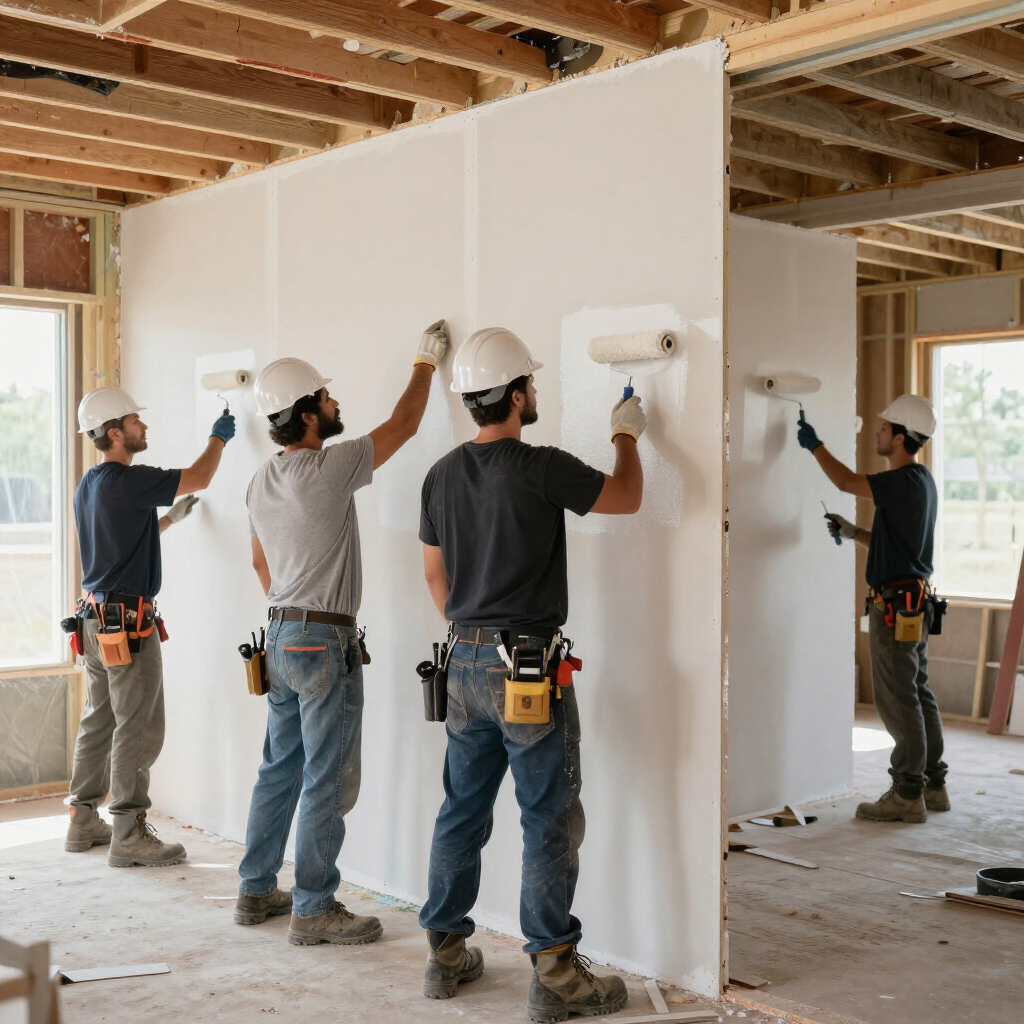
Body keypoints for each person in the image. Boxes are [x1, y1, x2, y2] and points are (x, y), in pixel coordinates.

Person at [416, 328, 646, 1021]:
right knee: (545, 816)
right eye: (533, 386)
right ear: (515, 396)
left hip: (462, 657)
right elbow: (626, 497)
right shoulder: (540, 466)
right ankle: (556, 977)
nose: (536, 394)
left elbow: (434, 573)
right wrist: (627, 435)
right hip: (525, 666)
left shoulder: (439, 474)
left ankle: (446, 956)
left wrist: (472, 635)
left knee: (462, 808)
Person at [236, 321, 449, 946]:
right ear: (306, 415)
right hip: (321, 640)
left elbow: (258, 564)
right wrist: (425, 363)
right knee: (326, 776)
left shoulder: (259, 479)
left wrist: (290, 610)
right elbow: (405, 424)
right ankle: (314, 907)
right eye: (326, 399)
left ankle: (255, 891)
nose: (335, 405)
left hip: (278, 635)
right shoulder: (328, 469)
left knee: (279, 769)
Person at [66, 386, 235, 866]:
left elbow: (119, 542)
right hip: (127, 626)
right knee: (138, 726)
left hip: (95, 624)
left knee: (99, 720)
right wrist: (218, 436)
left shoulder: (91, 483)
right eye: (136, 422)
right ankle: (128, 833)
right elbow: (200, 475)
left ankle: (83, 819)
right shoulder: (129, 478)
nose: (145, 427)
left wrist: (169, 522)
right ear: (115, 432)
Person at [798, 394, 947, 824]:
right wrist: (853, 532)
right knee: (917, 694)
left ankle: (906, 794)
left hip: (896, 609)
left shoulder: (899, 482)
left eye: (884, 429)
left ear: (900, 438)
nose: (878, 433)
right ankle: (933, 786)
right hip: (913, 604)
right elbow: (899, 546)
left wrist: (814, 445)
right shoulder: (920, 481)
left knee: (899, 701)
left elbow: (845, 482)